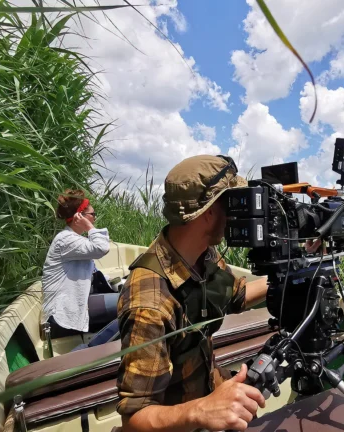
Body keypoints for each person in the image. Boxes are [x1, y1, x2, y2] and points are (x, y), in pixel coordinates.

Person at [115, 155, 322, 432]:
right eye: (233, 203)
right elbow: (134, 419)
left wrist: (300, 264)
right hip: (181, 419)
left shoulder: (204, 255)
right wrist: (202, 410)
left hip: (209, 389)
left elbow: (237, 295)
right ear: (209, 211)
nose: (238, 214)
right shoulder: (150, 302)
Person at [41, 189, 118, 348]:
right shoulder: (66, 240)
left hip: (74, 302)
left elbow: (91, 270)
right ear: (79, 216)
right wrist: (89, 227)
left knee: (127, 298)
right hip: (62, 312)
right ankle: (87, 352)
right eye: (92, 214)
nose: (94, 218)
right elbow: (101, 248)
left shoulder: (72, 239)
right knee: (130, 303)